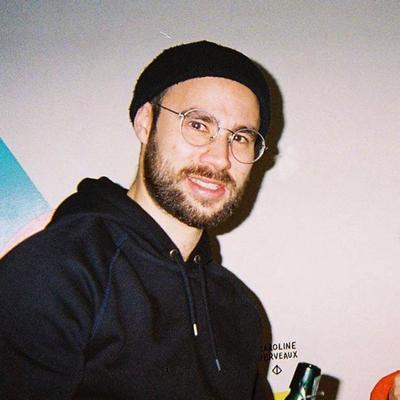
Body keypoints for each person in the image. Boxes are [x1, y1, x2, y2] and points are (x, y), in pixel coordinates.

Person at [0, 40, 271, 399]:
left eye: (240, 137)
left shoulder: (238, 307)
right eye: (198, 125)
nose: (221, 158)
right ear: (146, 122)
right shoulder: (58, 271)